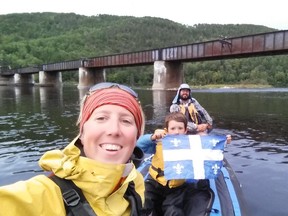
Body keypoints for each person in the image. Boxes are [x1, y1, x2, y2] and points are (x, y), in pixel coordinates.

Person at [0, 82, 146, 216]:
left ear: (136, 136)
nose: (114, 130)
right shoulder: (41, 194)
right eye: (101, 118)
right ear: (82, 133)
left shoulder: (135, 182)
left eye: (126, 121)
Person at [137, 112, 214, 216]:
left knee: (173, 209)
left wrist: (222, 142)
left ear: (185, 130)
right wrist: (151, 137)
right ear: (167, 130)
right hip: (155, 182)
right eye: (173, 129)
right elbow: (138, 145)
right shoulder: (159, 140)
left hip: (176, 187)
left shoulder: (190, 144)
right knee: (144, 201)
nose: (176, 132)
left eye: (180, 128)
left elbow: (207, 148)